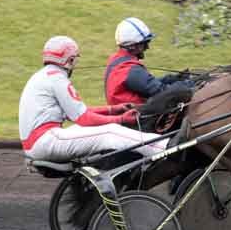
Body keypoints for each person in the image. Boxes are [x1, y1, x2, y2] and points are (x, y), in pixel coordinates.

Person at [19, 36, 169, 162]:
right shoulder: (57, 79)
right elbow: (84, 118)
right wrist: (121, 119)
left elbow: (79, 112)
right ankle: (165, 148)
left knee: (99, 129)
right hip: (44, 142)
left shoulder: (44, 76)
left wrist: (113, 109)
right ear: (69, 60)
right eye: (75, 60)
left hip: (39, 141)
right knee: (110, 132)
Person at [104, 17, 194, 106]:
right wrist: (186, 84)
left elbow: (146, 84)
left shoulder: (116, 59)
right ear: (132, 46)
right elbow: (162, 92)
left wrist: (171, 79)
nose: (147, 47)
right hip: (134, 116)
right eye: (145, 43)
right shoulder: (131, 70)